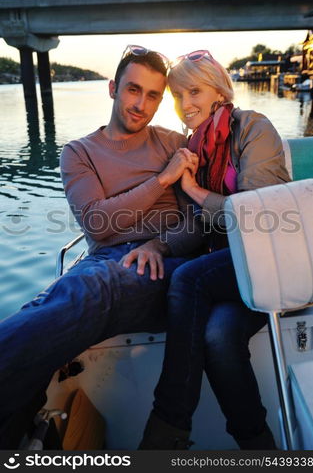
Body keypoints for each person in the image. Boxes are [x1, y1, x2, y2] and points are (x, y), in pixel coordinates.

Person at [0, 45, 199, 448]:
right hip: (105, 262)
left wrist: (160, 246)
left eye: (153, 95)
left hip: (166, 264)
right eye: (133, 90)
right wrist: (161, 181)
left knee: (89, 287)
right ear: (113, 88)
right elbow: (97, 223)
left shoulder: (173, 142)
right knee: (53, 300)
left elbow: (197, 222)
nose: (140, 104)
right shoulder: (78, 153)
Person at [121, 50, 291, 450]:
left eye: (193, 91)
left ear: (219, 90)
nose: (185, 105)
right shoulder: (194, 148)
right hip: (229, 271)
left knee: (188, 277)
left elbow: (255, 216)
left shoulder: (252, 127)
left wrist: (194, 190)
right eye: (178, 96)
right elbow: (198, 224)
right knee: (218, 336)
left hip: (270, 259)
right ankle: (258, 447)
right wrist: (156, 244)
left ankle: (167, 424)